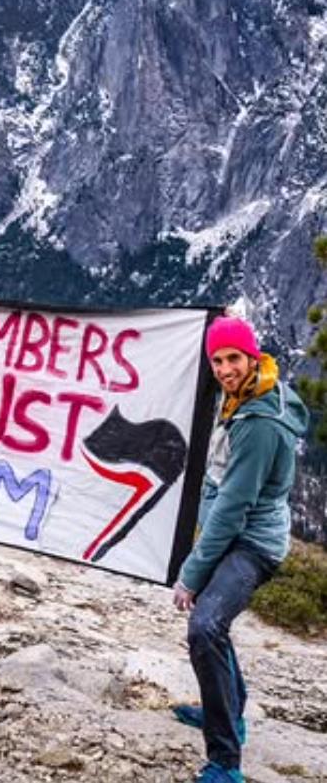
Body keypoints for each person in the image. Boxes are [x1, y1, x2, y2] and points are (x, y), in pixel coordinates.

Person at [172, 315, 309, 783]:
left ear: (252, 357)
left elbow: (234, 507)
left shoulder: (259, 423)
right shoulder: (245, 394)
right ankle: (226, 712)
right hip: (234, 535)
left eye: (233, 358)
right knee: (213, 625)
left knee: (205, 626)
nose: (225, 369)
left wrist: (192, 572)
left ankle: (225, 762)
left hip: (251, 543)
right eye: (217, 360)